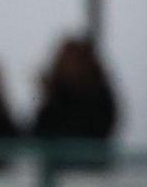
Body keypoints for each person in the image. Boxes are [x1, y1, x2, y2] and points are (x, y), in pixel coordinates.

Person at [33, 35, 120, 164]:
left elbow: (94, 131)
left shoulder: (97, 98)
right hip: (58, 171)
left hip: (88, 171)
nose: (69, 66)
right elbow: (41, 133)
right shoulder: (56, 97)